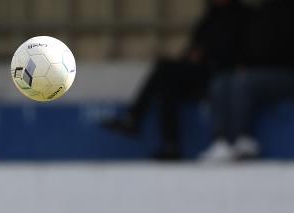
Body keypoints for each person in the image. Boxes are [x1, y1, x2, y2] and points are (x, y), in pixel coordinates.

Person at [100, 0, 248, 160]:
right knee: (167, 85)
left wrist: (206, 55)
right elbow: (194, 47)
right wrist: (192, 56)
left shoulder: (240, 15)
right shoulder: (211, 16)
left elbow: (234, 51)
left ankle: (135, 119)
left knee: (164, 69)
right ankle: (170, 145)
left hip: (221, 74)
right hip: (200, 72)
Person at [198, 0, 294, 161]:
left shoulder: (291, 11)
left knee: (244, 82)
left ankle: (244, 139)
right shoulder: (261, 12)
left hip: (288, 73)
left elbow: (278, 50)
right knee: (221, 82)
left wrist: (255, 65)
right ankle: (221, 141)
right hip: (261, 72)